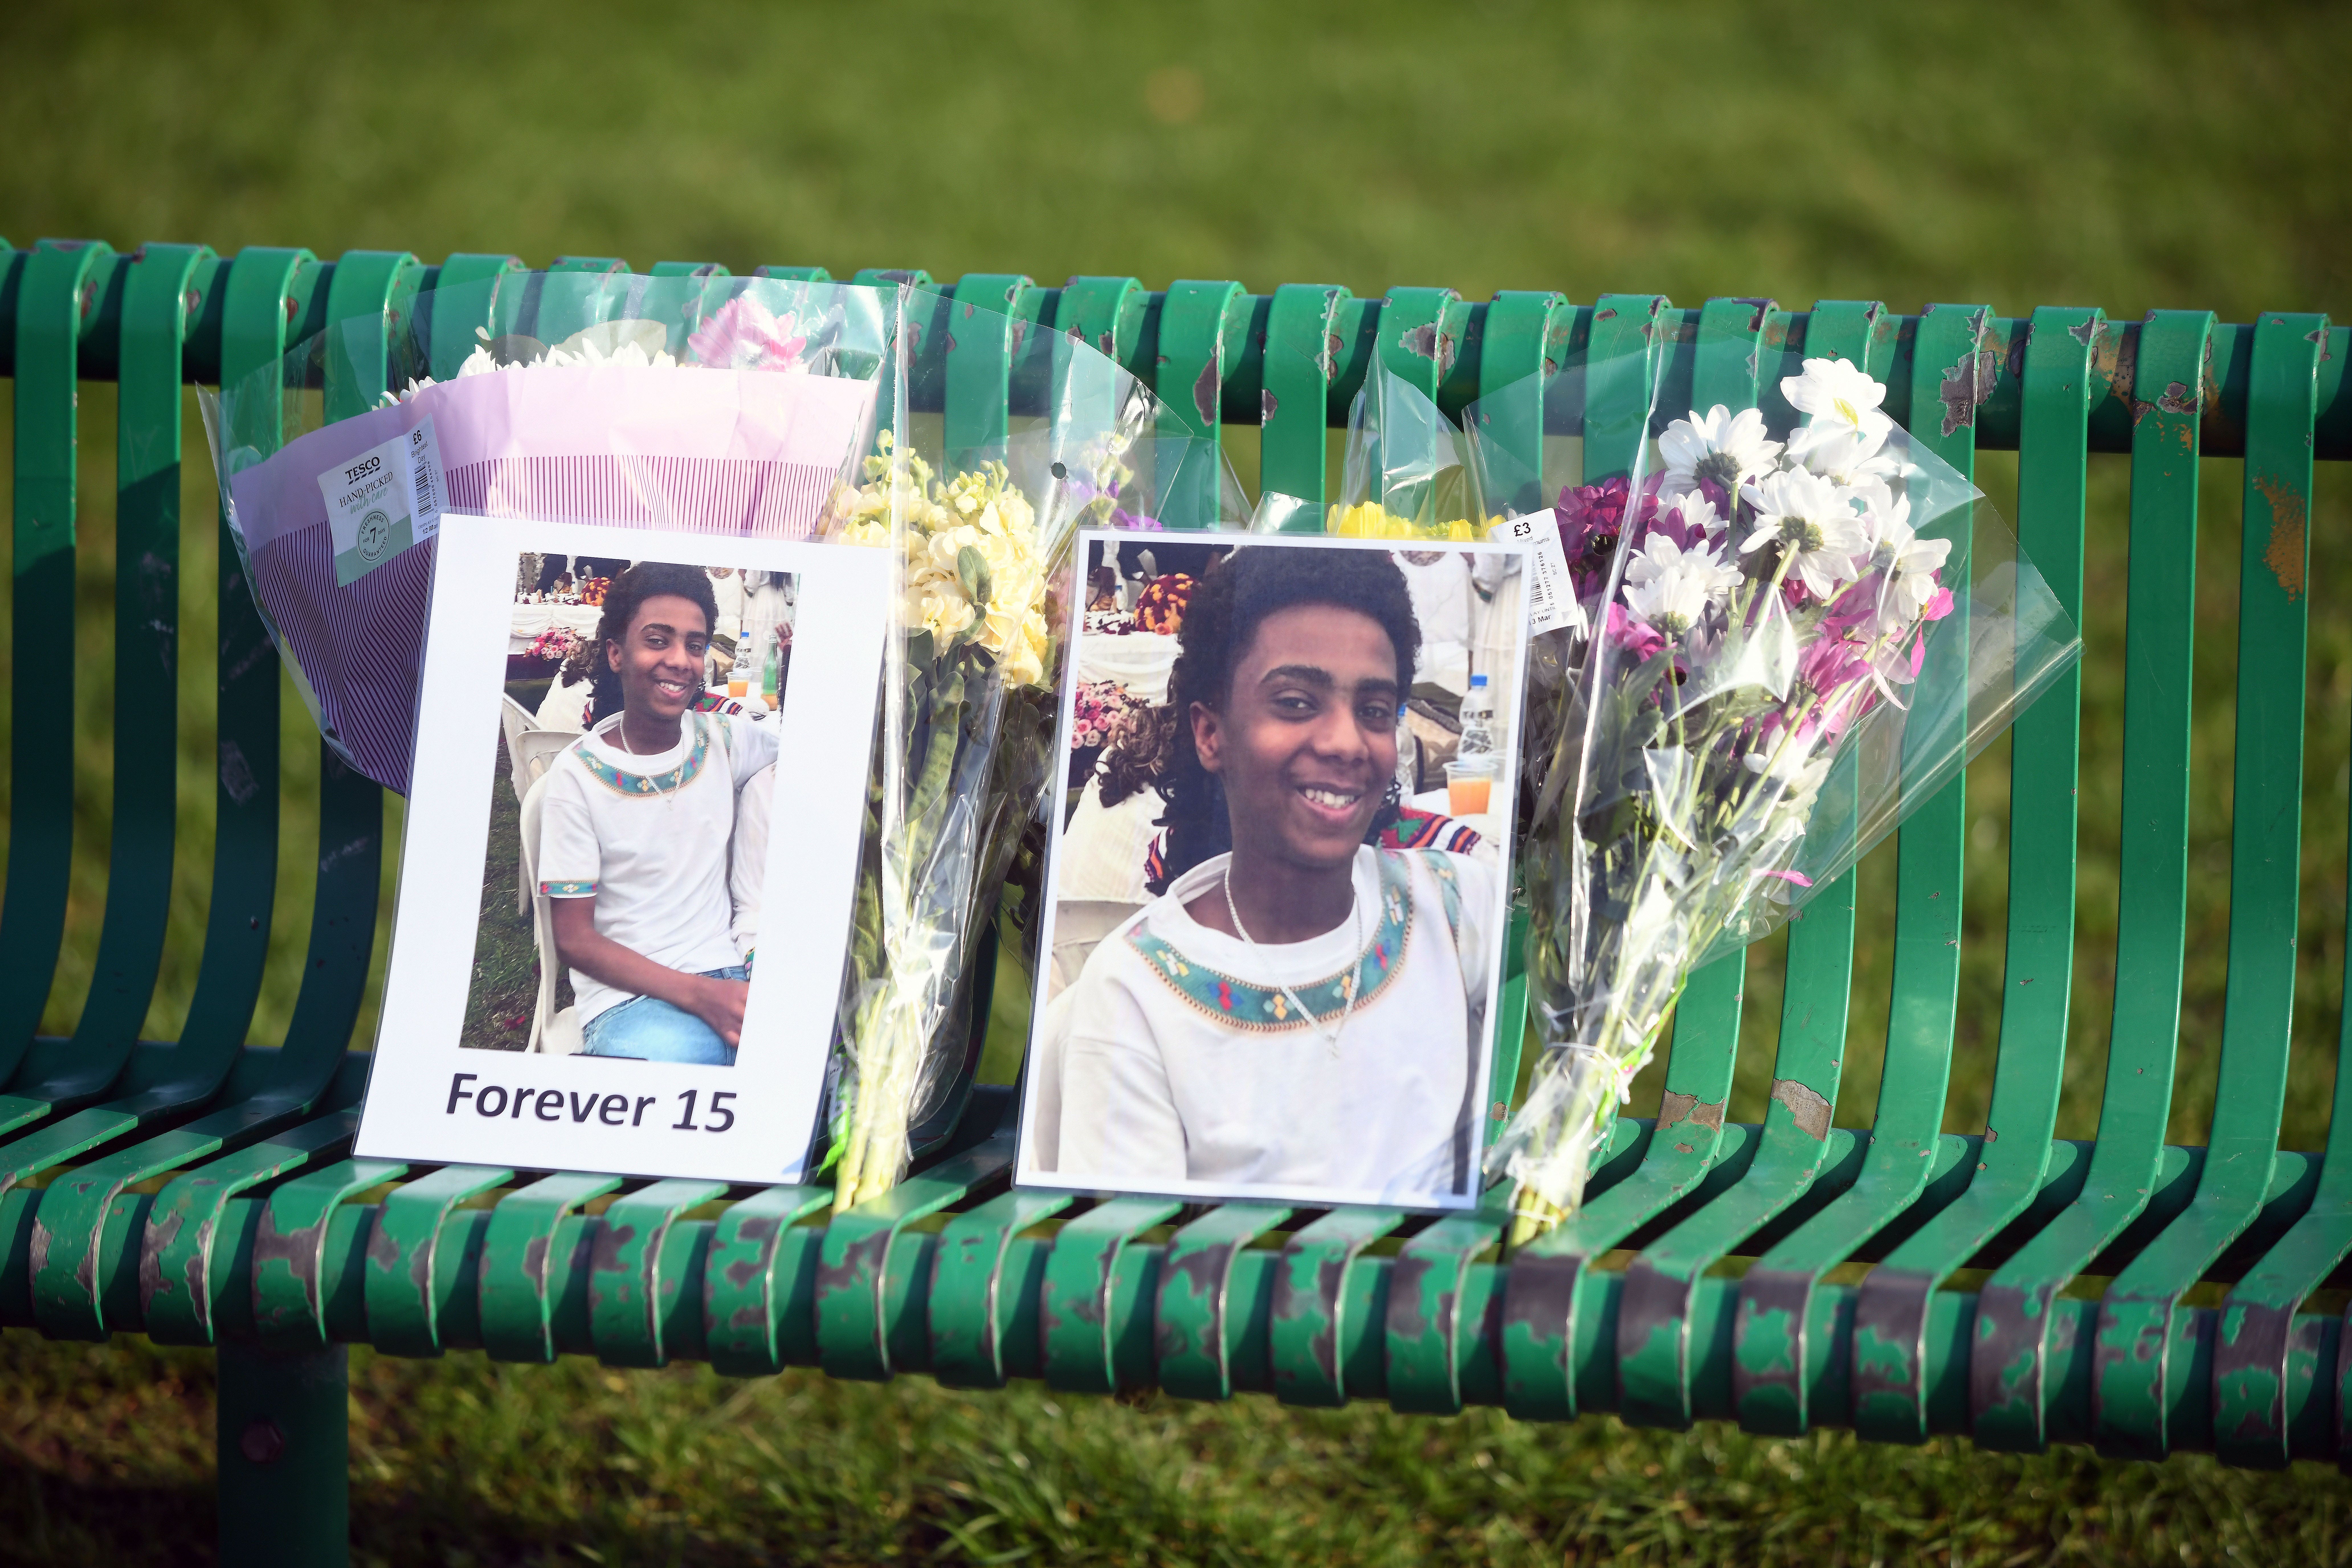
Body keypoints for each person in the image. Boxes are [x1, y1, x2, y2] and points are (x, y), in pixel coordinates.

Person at [1053, 545, 1496, 1202]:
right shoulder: (1134, 997)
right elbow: (1128, 1281)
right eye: (1295, 702)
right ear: (1211, 734)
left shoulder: (1453, 907)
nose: (1346, 741)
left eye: (1374, 709)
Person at [536, 563, 779, 1065]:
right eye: (657, 640)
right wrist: (699, 995)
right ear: (616, 653)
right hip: (632, 1000)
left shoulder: (723, 740)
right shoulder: (578, 777)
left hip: (735, 975)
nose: (680, 661)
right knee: (688, 1094)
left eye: (695, 645)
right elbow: (574, 940)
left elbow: (815, 761)